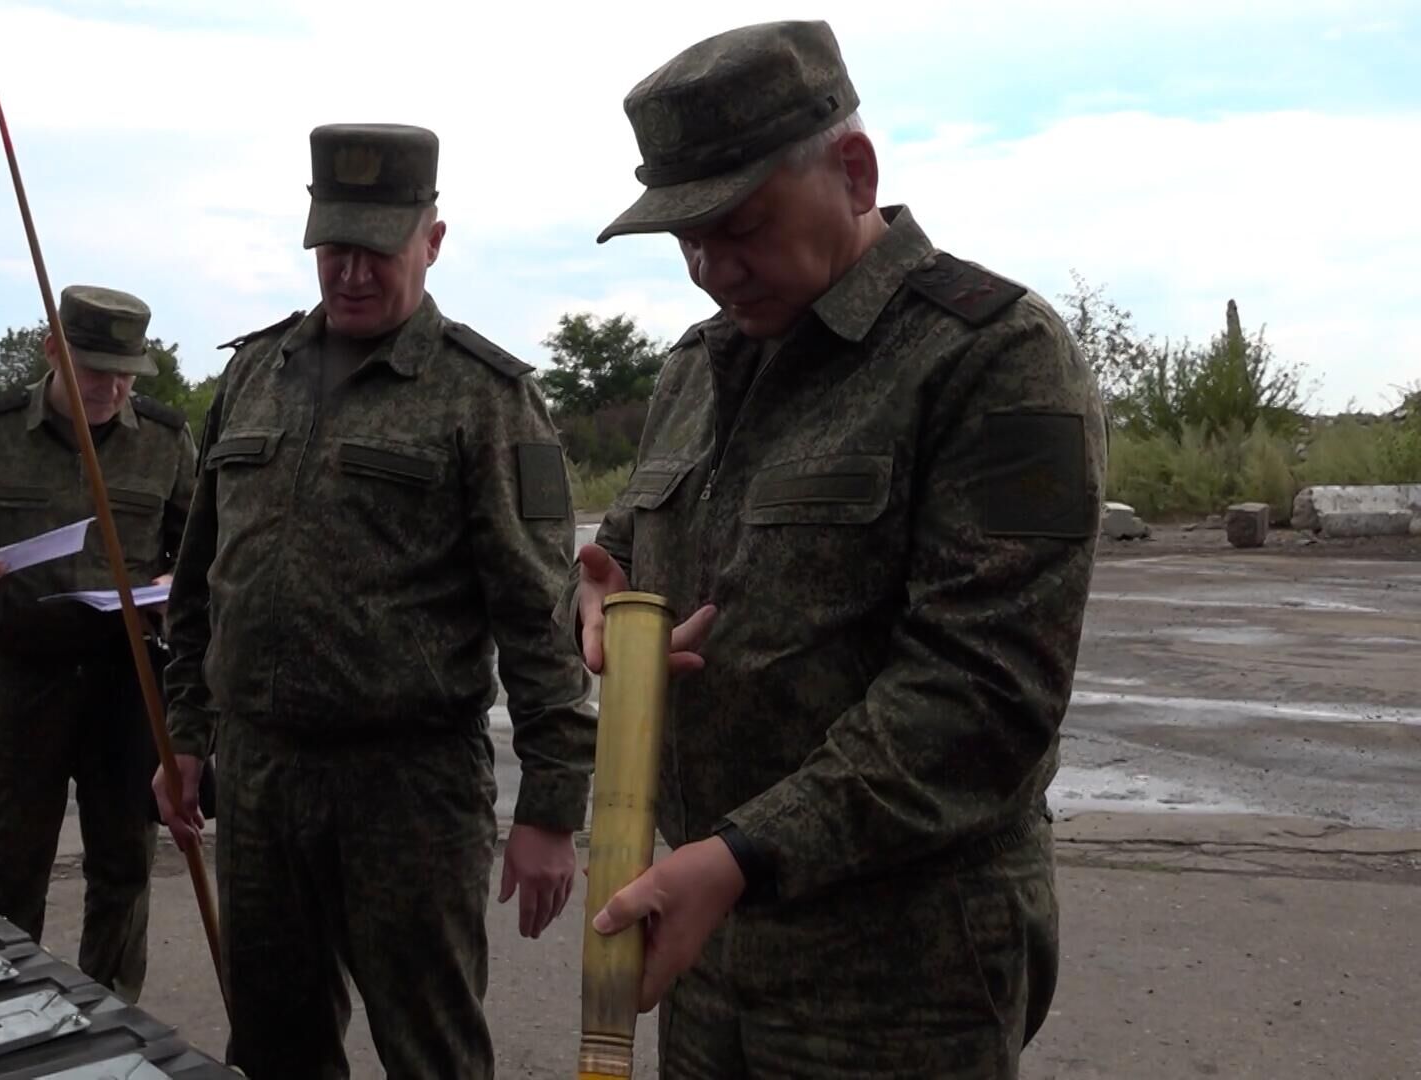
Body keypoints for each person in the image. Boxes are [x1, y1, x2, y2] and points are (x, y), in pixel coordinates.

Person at [568, 20, 1108, 1080]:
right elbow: (620, 560)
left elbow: (986, 694)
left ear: (853, 173)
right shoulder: (699, 370)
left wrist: (743, 856)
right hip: (709, 935)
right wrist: (590, 612)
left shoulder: (994, 357)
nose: (712, 269)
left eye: (740, 226)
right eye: (685, 240)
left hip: (901, 970)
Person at [152, 122, 597, 1078]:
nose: (350, 273)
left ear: (431, 241)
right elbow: (198, 587)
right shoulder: (252, 375)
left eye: (377, 250)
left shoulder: (485, 397)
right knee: (272, 1042)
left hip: (409, 788)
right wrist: (184, 733)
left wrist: (552, 807)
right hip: (261, 779)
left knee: (426, 1045)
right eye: (333, 248)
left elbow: (538, 615)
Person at [0, 284, 198, 1004]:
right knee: (11, 868)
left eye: (127, 370)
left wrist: (173, 579)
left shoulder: (165, 438)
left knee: (125, 863)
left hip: (126, 679)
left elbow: (198, 545)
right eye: (95, 367)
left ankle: (108, 1016)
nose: (113, 385)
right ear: (52, 352)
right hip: (25, 677)